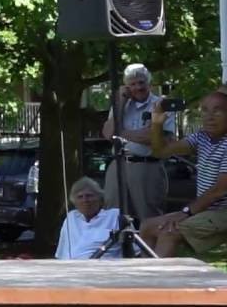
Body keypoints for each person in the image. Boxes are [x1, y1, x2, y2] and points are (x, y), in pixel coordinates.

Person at [139, 88, 227, 258]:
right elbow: (161, 151)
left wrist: (185, 212)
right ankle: (144, 279)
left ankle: (158, 283)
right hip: (207, 210)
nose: (209, 116)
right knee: (147, 226)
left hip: (222, 212)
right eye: (205, 110)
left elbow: (220, 190)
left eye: (217, 110)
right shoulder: (202, 137)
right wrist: (157, 123)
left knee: (168, 232)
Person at [101, 64, 173, 223]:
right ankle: (119, 247)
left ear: (150, 84)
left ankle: (150, 248)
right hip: (118, 164)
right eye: (132, 84)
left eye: (141, 83)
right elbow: (107, 133)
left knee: (150, 217)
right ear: (126, 86)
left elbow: (157, 140)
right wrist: (120, 101)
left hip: (147, 165)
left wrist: (120, 133)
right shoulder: (120, 104)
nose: (138, 88)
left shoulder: (161, 105)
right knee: (112, 216)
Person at [55, 177, 121, 259]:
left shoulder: (114, 216)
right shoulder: (71, 218)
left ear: (99, 198)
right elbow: (61, 254)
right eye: (80, 197)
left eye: (89, 196)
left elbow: (135, 251)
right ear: (74, 202)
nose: (85, 200)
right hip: (71, 269)